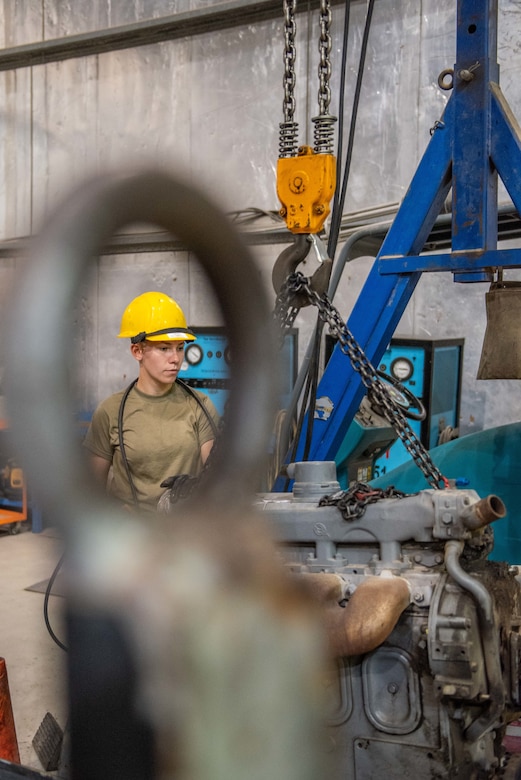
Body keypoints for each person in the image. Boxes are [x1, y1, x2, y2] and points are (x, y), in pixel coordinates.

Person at [83, 291, 220, 513]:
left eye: (179, 348)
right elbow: (89, 491)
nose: (175, 358)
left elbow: (217, 475)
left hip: (183, 531)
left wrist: (200, 487)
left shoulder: (200, 405)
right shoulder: (110, 412)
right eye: (164, 348)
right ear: (137, 351)